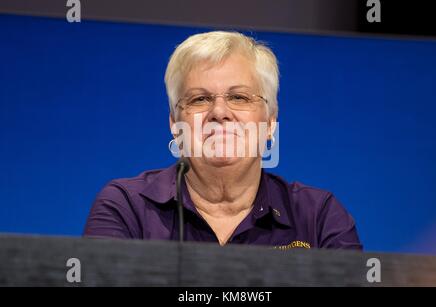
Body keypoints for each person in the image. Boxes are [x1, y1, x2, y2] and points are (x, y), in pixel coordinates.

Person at [84, 31, 362, 250]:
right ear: (175, 124)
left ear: (270, 123)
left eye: (239, 97)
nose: (219, 112)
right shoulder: (126, 207)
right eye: (199, 99)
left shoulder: (319, 217)